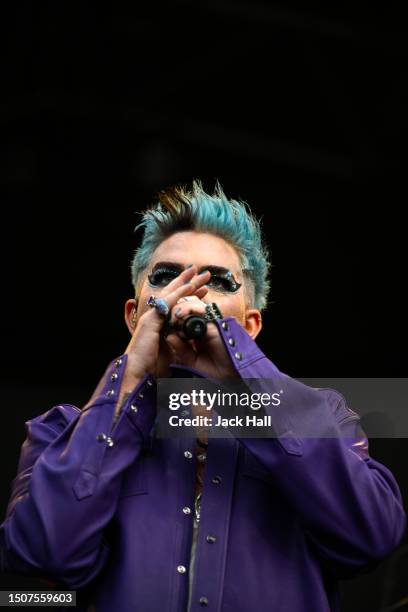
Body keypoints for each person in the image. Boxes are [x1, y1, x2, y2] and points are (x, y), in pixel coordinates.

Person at [0, 181, 406, 612]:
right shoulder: (62, 433)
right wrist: (129, 379)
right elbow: (41, 555)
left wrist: (244, 380)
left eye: (219, 282)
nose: (189, 291)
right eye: (165, 276)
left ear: (249, 326)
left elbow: (372, 536)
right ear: (134, 315)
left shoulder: (323, 418)